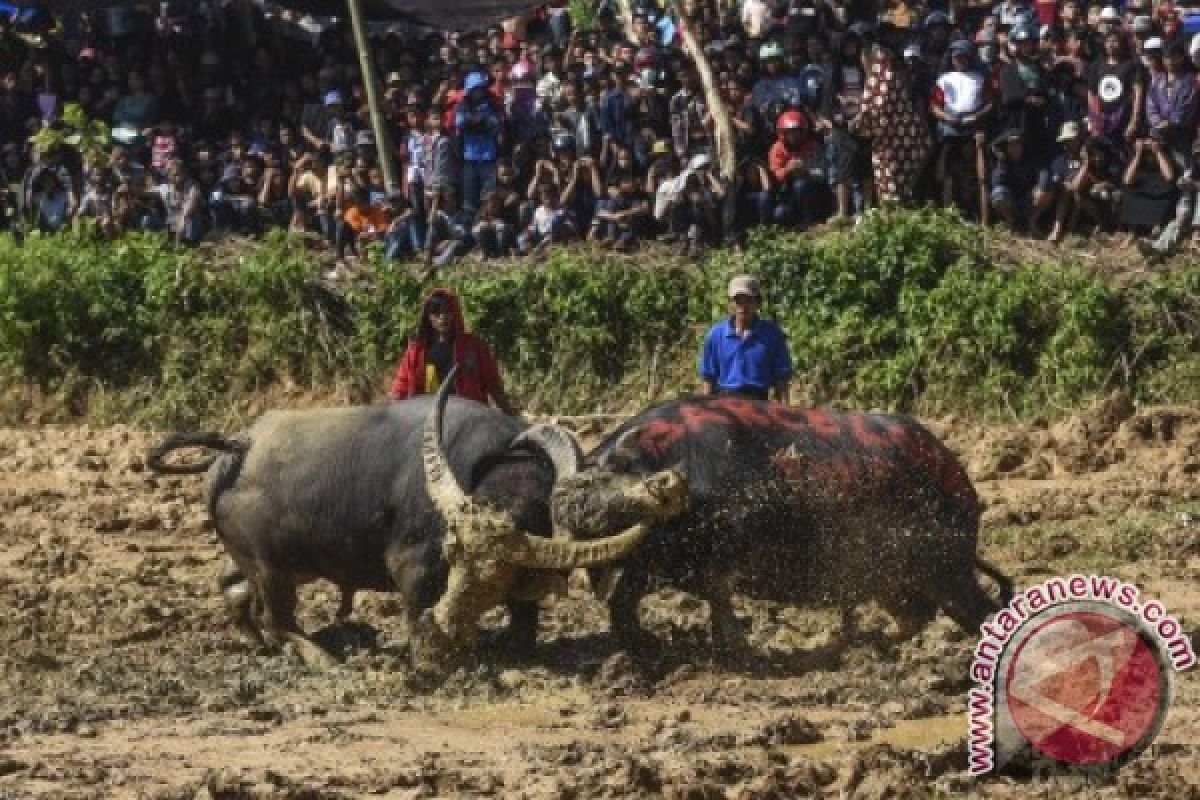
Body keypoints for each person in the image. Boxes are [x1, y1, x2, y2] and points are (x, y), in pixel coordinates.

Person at [389, 288, 516, 414]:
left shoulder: (474, 347)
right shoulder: (417, 351)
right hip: (427, 414)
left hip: (468, 415)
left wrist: (510, 415)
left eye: (447, 312)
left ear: (455, 313)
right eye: (436, 313)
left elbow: (492, 384)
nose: (443, 317)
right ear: (428, 317)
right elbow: (401, 387)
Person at [699, 274, 793, 403]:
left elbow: (781, 379)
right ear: (730, 303)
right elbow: (708, 378)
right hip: (725, 404)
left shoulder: (772, 334)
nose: (742, 306)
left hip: (759, 403)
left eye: (748, 300)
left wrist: (785, 413)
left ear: (758, 303)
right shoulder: (716, 335)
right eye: (738, 300)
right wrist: (706, 412)